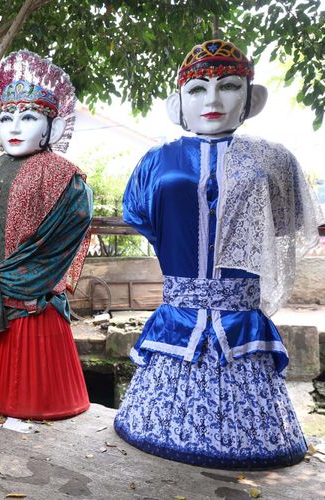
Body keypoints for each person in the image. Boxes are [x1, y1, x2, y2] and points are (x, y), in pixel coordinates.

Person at [114, 39, 324, 469]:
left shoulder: (276, 160)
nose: (212, 100)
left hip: (241, 319)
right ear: (178, 104)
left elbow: (287, 223)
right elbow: (142, 216)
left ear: (251, 97)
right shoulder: (156, 160)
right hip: (178, 317)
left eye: (227, 86)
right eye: (196, 89)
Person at [0, 50, 93, 420]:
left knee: (33, 392)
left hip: (34, 304)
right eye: (6, 118)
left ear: (53, 127)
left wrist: (12, 275)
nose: (14, 128)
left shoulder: (66, 178)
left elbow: (66, 238)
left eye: (28, 117)